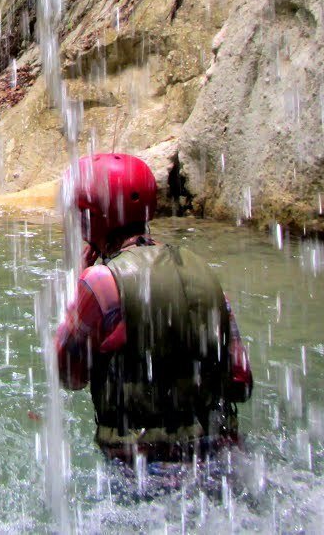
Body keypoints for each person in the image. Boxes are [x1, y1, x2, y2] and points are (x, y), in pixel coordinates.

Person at [55, 153, 253, 465]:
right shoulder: (203, 271)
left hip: (144, 468)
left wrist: (76, 288)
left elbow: (69, 374)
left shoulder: (100, 282)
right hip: (222, 457)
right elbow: (241, 380)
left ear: (91, 218)